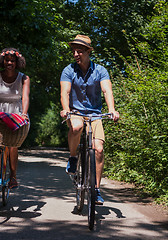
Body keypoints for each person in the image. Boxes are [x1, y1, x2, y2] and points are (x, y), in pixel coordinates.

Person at [60, 35, 119, 205]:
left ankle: (96, 189)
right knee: (77, 127)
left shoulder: (100, 70)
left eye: (79, 51)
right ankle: (73, 158)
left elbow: (107, 91)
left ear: (88, 51)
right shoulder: (68, 70)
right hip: (76, 112)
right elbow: (65, 92)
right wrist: (66, 109)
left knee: (99, 149)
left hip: (95, 114)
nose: (76, 54)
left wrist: (112, 110)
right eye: (74, 51)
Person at [0, 47, 30, 189]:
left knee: (12, 144)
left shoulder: (24, 78)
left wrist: (24, 113)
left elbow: (26, 97)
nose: (9, 63)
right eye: (7, 60)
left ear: (17, 62)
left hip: (16, 111)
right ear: (2, 61)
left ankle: (13, 176)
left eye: (12, 61)